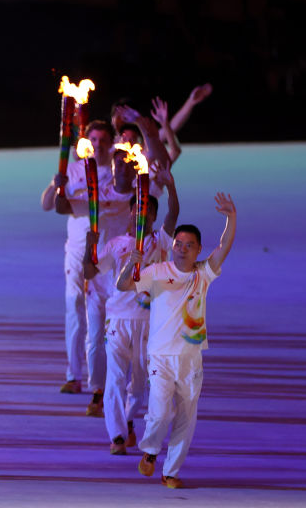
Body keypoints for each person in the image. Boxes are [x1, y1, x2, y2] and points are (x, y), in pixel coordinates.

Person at [116, 193, 236, 488]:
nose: (182, 249)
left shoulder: (202, 275)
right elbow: (123, 285)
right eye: (178, 244)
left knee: (186, 416)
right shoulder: (157, 272)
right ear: (172, 247)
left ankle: (171, 471)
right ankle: (150, 452)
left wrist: (231, 218)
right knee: (158, 412)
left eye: (189, 246)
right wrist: (130, 264)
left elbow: (224, 248)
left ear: (198, 250)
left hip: (190, 358)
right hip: (159, 356)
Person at [84, 168, 178, 454]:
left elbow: (173, 214)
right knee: (115, 377)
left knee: (138, 381)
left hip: (148, 321)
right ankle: (116, 436)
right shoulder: (116, 245)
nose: (142, 214)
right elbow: (89, 271)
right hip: (118, 319)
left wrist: (171, 188)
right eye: (138, 209)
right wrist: (90, 244)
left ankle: (127, 420)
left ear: (153, 216)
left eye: (148, 210)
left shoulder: (161, 242)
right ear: (130, 213)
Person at [41, 120, 124, 408]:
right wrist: (57, 186)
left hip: (110, 253)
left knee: (105, 315)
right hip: (77, 250)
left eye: (103, 139)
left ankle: (104, 380)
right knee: (74, 305)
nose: (99, 144)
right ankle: (74, 374)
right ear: (87, 141)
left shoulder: (121, 170)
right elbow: (49, 206)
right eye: (94, 139)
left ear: (111, 142)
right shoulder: (73, 169)